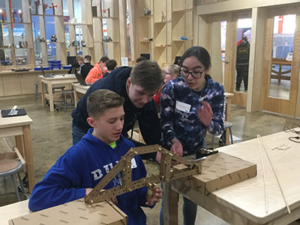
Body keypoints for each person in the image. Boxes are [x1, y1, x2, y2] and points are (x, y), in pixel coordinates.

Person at [28, 89, 162, 225]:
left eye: (122, 118)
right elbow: (39, 197)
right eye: (112, 121)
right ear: (92, 122)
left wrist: (146, 195)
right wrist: (85, 193)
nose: (120, 126)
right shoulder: (77, 155)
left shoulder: (128, 147)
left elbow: (137, 186)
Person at [157, 46, 225, 225]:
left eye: (196, 72)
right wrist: (174, 140)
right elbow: (165, 120)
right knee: (169, 198)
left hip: (196, 151)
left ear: (207, 69)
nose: (189, 78)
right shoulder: (172, 87)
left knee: (192, 197)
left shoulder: (216, 90)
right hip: (171, 151)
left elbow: (218, 130)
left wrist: (207, 123)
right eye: (185, 71)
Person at [72, 60, 163, 159]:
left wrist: (160, 151)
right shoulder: (108, 94)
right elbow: (114, 141)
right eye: (140, 93)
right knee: (92, 165)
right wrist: (153, 154)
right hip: (84, 127)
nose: (145, 100)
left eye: (151, 95)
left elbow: (151, 127)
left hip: (112, 132)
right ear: (129, 82)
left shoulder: (144, 96)